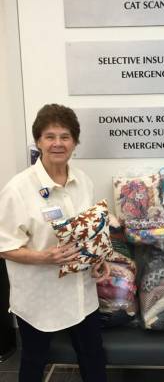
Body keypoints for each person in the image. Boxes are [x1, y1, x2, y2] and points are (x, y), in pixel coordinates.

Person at [0, 104, 109, 382]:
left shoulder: (83, 181)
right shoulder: (18, 188)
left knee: (93, 358)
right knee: (34, 361)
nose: (58, 143)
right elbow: (4, 246)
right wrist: (44, 257)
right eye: (50, 136)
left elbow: (87, 232)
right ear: (38, 141)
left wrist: (98, 261)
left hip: (81, 294)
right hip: (39, 299)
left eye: (65, 136)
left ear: (75, 142)